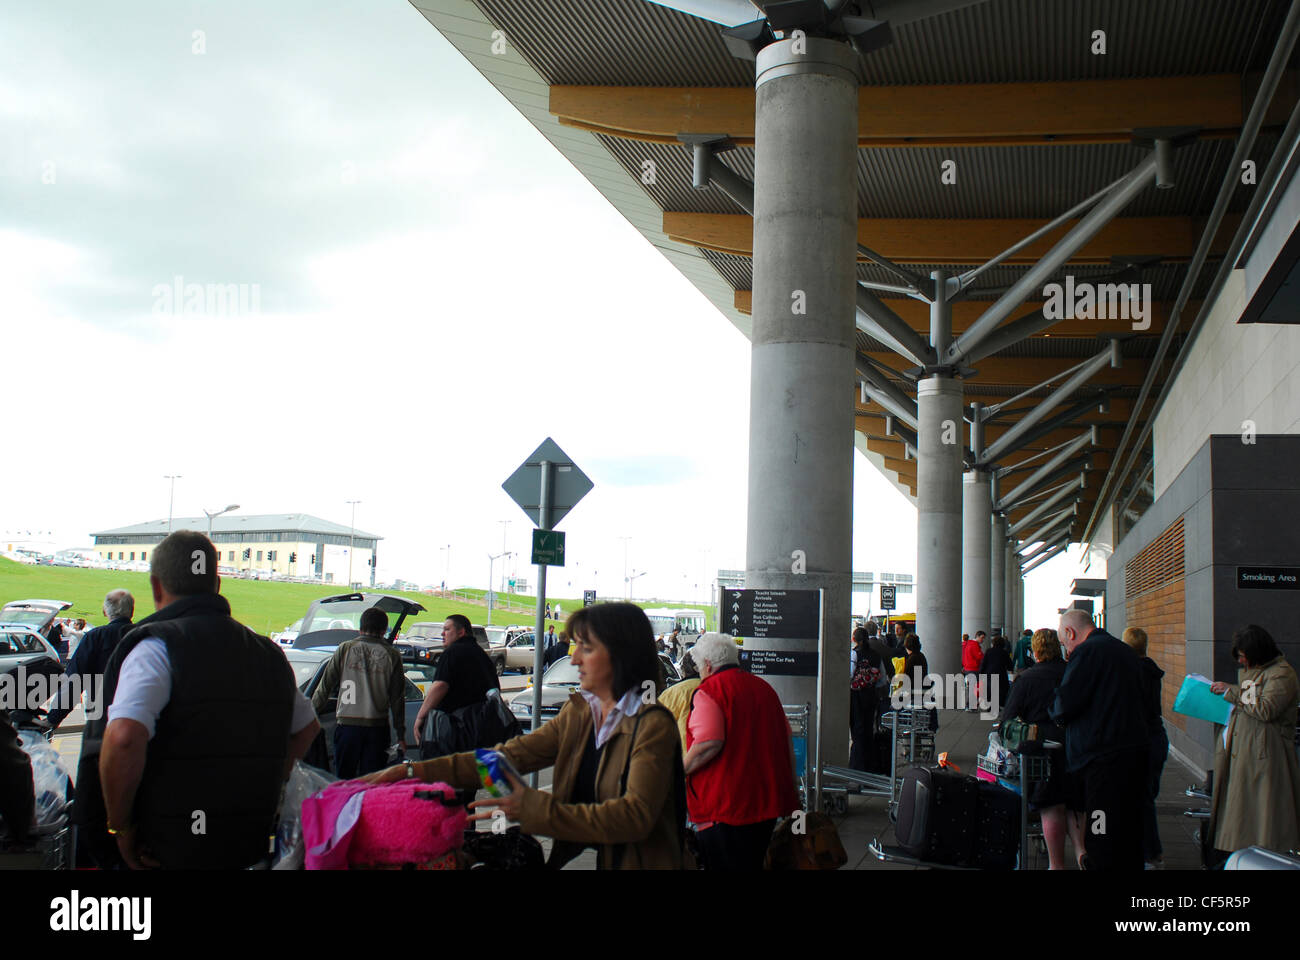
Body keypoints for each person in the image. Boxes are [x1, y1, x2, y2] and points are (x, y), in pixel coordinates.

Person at [363, 602, 686, 869]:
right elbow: (505, 760)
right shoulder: (579, 714)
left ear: (620, 656)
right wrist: (412, 772)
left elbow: (634, 817)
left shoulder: (652, 725)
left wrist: (533, 809)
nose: (573, 659)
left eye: (585, 648)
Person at [89, 531, 321, 869]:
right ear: (218, 583)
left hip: (169, 848)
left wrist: (119, 826)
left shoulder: (155, 649)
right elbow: (307, 728)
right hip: (247, 845)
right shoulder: (269, 655)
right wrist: (265, 784)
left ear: (156, 587)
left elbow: (123, 738)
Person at [684, 632, 798, 870]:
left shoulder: (709, 691)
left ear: (707, 664)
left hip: (724, 805)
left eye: (698, 667)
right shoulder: (765, 689)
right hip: (766, 802)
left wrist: (679, 770)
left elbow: (708, 743)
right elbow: (786, 741)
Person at [1049, 609, 1148, 871]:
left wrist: (1055, 708)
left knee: (1099, 826)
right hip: (1134, 753)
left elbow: (1065, 704)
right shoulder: (1124, 650)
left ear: (1070, 633)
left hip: (1102, 760)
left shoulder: (1087, 652)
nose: (1066, 651)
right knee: (1128, 829)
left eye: (1064, 644)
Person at [1206, 624, 1300, 859]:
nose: (1240, 662)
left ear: (1257, 653)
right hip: (1248, 756)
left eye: (1243, 656)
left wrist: (1232, 691)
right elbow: (1250, 702)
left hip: (1265, 758)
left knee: (1263, 818)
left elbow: (1264, 709)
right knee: (1244, 817)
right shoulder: (1257, 672)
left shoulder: (1282, 673)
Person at [1000, 629, 1069, 869]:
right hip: (1073, 745)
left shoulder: (1027, 678)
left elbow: (1008, 719)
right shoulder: (1072, 673)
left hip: (1038, 747)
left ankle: (1056, 864)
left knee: (1048, 804)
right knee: (1075, 804)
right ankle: (1083, 853)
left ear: (1035, 651)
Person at [311, 606, 406, 778]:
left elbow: (324, 688)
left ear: (360, 627)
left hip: (347, 726)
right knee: (372, 781)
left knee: (343, 779)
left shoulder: (345, 648)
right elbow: (397, 698)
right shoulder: (392, 654)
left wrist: (309, 716)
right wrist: (400, 734)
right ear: (384, 630)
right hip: (377, 728)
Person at [413, 614, 499, 761]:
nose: (442, 633)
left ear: (461, 632)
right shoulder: (482, 655)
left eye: (447, 629)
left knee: (446, 774)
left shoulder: (452, 653)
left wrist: (421, 717)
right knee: (476, 775)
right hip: (482, 731)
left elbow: (440, 685)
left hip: (454, 732)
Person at [47, 590, 135, 731]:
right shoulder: (145, 636)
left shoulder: (95, 637)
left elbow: (74, 681)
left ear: (105, 612)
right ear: (132, 611)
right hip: (138, 717)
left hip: (102, 717)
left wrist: (53, 719)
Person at [1121, 626, 1168, 869]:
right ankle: (1149, 852)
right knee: (1147, 795)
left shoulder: (1131, 672)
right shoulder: (1151, 670)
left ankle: (1151, 854)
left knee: (1141, 798)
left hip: (1141, 739)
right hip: (1157, 737)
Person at [658, 650, 701, 746]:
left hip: (684, 752)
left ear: (684, 669)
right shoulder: (717, 688)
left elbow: (657, 726)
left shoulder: (672, 693)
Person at [978, 634, 1013, 716]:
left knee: (990, 690)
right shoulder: (1004, 652)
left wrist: (981, 673)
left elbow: (984, 663)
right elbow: (1009, 665)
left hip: (989, 674)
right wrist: (1010, 669)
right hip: (1001, 674)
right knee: (1000, 691)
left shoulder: (988, 651)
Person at [961, 631, 984, 712]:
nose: (982, 640)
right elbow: (979, 656)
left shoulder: (967, 644)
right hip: (974, 668)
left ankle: (969, 705)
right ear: (977, 636)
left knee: (972, 687)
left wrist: (964, 665)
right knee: (975, 688)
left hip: (968, 668)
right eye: (982, 637)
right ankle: (971, 706)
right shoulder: (974, 645)